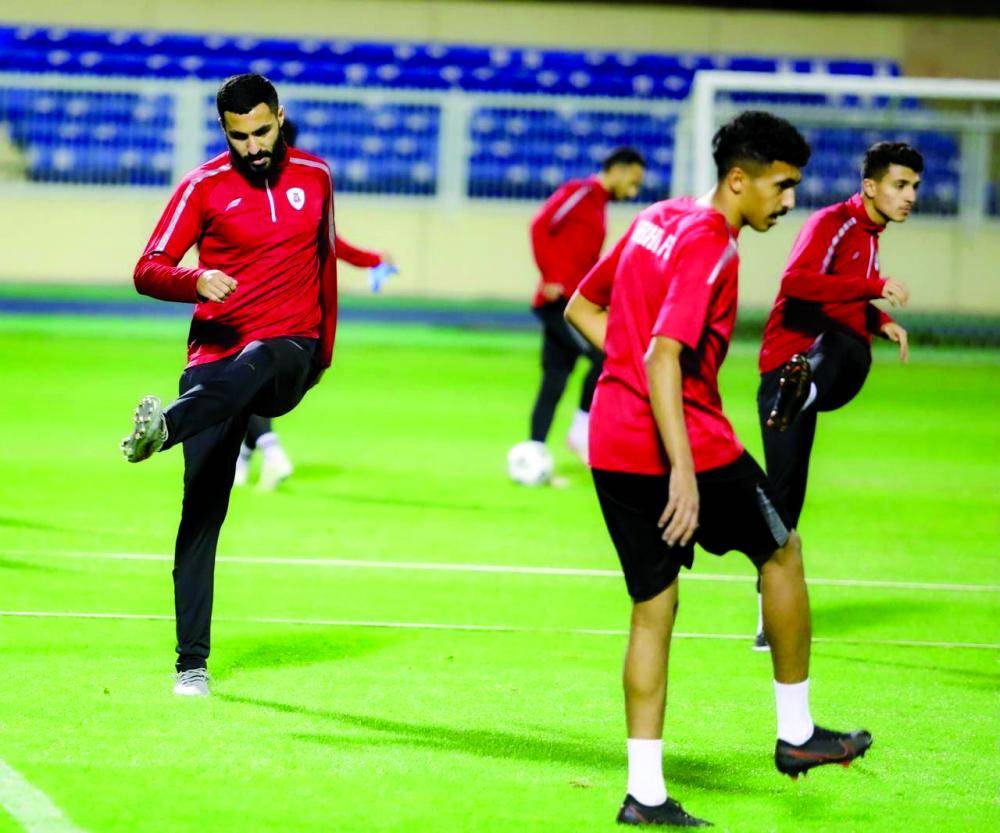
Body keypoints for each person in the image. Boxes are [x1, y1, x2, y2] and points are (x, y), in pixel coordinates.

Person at [565, 111, 872, 827]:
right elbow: (663, 355)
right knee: (783, 550)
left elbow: (582, 306)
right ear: (739, 180)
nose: (789, 200)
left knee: (653, 608)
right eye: (781, 185)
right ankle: (797, 733)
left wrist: (632, 380)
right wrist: (680, 467)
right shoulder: (712, 245)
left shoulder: (655, 218)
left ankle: (645, 795)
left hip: (612, 441)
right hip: (687, 446)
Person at [119, 74, 339, 696]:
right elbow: (147, 269)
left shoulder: (316, 177)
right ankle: (191, 664)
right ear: (224, 130)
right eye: (240, 136)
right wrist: (193, 280)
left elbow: (325, 263)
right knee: (201, 514)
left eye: (263, 131)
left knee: (264, 354)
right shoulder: (203, 186)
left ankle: (165, 429)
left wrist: (324, 353)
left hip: (288, 350)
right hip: (215, 361)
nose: (254, 146)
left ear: (280, 117)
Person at [750, 141, 921, 650]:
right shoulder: (833, 223)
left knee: (850, 343)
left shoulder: (869, 233)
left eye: (914, 186)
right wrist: (872, 287)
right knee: (784, 501)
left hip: (813, 370)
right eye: (900, 185)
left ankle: (805, 392)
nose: (910, 196)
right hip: (785, 367)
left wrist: (880, 320)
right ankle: (767, 619)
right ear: (870, 186)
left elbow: (842, 294)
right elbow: (796, 282)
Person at [235, 118, 397, 490]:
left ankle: (270, 451)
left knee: (241, 380)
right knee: (253, 384)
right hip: (296, 309)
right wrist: (372, 259)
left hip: (257, 302)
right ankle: (243, 461)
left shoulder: (250, 183)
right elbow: (330, 240)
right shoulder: (306, 179)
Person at [518, 147, 645, 471]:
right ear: (618, 169)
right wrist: (550, 275)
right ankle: (580, 431)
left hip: (574, 303)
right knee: (606, 356)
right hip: (561, 303)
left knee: (555, 377)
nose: (633, 191)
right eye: (633, 181)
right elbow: (539, 225)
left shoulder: (599, 204)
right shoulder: (581, 192)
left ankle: (533, 454)